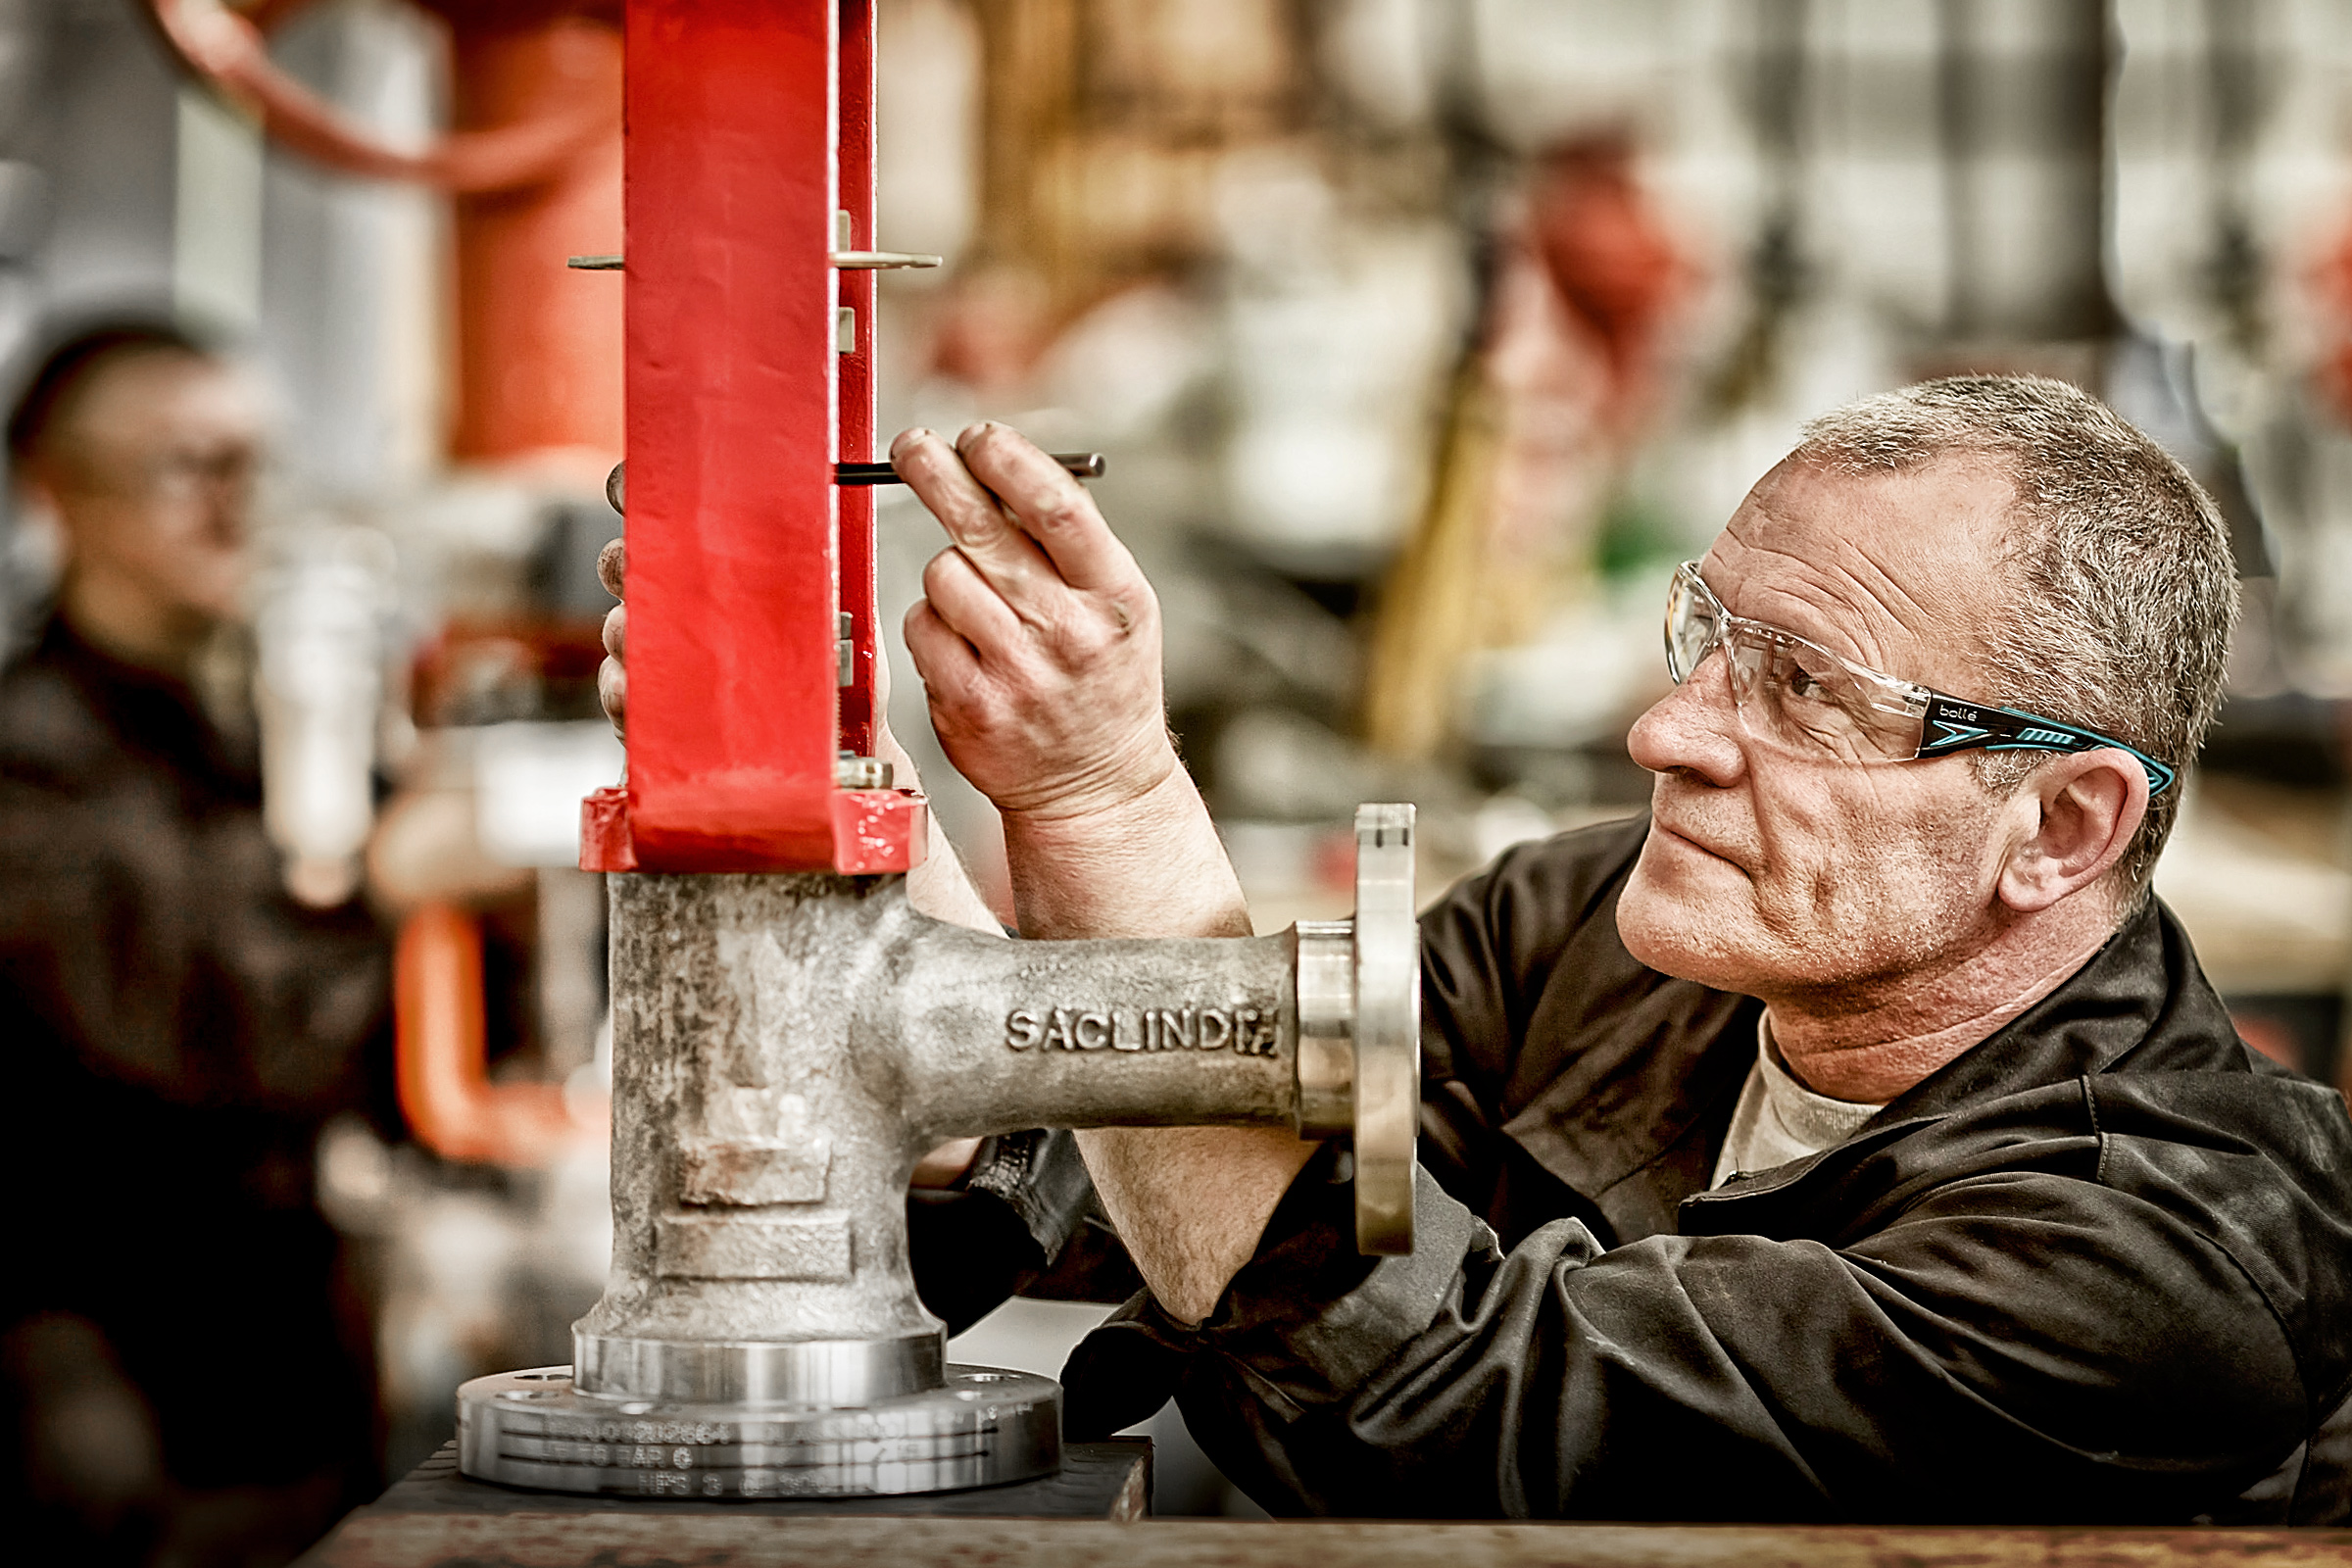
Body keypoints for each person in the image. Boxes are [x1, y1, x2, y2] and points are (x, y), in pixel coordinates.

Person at [599, 372, 2352, 1523]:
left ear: (2062, 828)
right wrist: (876, 935)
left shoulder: (2169, 1267)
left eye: (1805, 689)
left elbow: (1426, 1413)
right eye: (1710, 636)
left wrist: (1111, 799)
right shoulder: (1603, 930)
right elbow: (1171, 1192)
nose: (1670, 732)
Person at [0, 321, 393, 1565]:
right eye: (191, 466)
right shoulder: (26, 760)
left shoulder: (254, 737)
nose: (236, 508)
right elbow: (176, 1029)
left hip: (291, 1355)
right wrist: (382, 880)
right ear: (56, 488)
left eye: (253, 467)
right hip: (93, 1376)